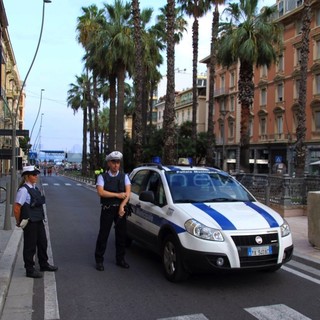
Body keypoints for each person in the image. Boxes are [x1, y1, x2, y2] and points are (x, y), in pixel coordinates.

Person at [14, 165, 58, 278]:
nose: (36, 176)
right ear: (27, 176)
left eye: (36, 174)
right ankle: (29, 269)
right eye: (34, 175)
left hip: (38, 220)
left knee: (43, 243)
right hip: (30, 221)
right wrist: (19, 221)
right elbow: (17, 207)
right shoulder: (24, 190)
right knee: (30, 246)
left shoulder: (34, 188)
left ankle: (44, 264)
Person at [95, 151, 131, 271]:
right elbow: (101, 192)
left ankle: (120, 259)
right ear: (109, 163)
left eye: (118, 162)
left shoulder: (124, 176)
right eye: (113, 162)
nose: (116, 165)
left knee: (121, 236)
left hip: (120, 210)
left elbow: (128, 193)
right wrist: (117, 195)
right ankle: (99, 260)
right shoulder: (102, 177)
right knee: (103, 235)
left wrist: (122, 206)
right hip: (108, 210)